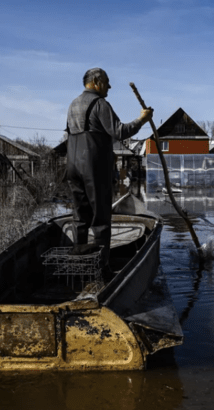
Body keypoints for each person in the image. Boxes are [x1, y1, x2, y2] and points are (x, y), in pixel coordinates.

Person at [65, 68, 152, 269]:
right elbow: (120, 132)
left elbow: (76, 133)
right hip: (92, 167)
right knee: (101, 216)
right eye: (107, 82)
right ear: (96, 81)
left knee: (80, 212)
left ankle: (79, 257)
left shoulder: (73, 105)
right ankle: (100, 267)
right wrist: (142, 119)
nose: (109, 87)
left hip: (72, 165)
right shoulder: (100, 104)